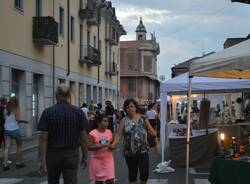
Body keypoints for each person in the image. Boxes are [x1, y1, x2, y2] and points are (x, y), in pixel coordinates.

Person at [37, 84, 89, 184]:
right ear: (69, 95)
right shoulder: (78, 112)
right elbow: (84, 138)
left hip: (53, 154)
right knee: (71, 181)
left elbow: (43, 139)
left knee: (52, 180)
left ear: (56, 95)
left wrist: (40, 160)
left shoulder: (48, 112)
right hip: (71, 154)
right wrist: (85, 156)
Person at [110, 98, 159, 184]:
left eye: (132, 106)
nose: (130, 109)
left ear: (135, 107)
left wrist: (156, 144)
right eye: (128, 107)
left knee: (144, 173)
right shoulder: (123, 121)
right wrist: (114, 143)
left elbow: (152, 131)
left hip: (143, 151)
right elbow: (118, 134)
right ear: (125, 109)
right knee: (132, 174)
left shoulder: (143, 118)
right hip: (130, 152)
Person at [89, 113, 115, 184]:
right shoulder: (92, 133)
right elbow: (89, 147)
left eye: (107, 121)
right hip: (97, 160)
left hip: (108, 160)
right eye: (104, 121)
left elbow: (113, 145)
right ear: (98, 122)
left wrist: (112, 147)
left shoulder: (109, 132)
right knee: (98, 182)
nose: (107, 123)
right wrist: (103, 145)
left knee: (110, 180)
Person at [3, 96, 26, 170]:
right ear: (16, 102)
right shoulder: (16, 108)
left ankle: (5, 165)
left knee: (7, 147)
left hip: (7, 130)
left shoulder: (6, 108)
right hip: (15, 130)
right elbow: (18, 120)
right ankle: (18, 163)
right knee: (19, 145)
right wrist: (25, 121)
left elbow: (4, 118)